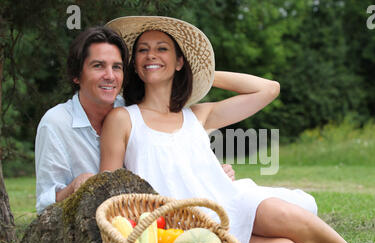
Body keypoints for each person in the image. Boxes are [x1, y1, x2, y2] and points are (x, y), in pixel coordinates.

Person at [100, 16, 375, 243]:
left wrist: (199, 72)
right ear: (135, 65)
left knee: (283, 212)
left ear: (180, 61)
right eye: (143, 50)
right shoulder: (123, 119)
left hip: (227, 203)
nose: (151, 55)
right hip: (185, 231)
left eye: (162, 49)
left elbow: (268, 89)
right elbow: (109, 189)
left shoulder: (197, 115)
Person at [34, 26, 235, 214]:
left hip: (150, 213)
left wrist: (210, 174)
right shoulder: (56, 123)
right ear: (76, 75)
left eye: (117, 67)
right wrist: (75, 186)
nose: (110, 76)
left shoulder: (130, 110)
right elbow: (44, 205)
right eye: (98, 66)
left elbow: (166, 158)